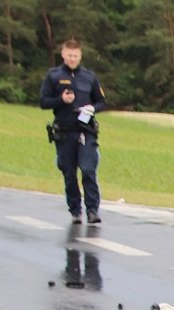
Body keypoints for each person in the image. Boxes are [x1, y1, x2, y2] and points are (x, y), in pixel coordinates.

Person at [40, 39, 106, 224]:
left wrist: (92, 108)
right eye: (69, 55)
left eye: (75, 56)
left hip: (85, 131)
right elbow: (43, 102)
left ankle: (93, 210)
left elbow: (102, 102)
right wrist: (61, 100)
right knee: (69, 173)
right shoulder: (53, 76)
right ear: (63, 54)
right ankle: (75, 210)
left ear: (80, 56)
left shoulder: (89, 77)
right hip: (65, 131)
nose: (72, 59)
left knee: (88, 169)